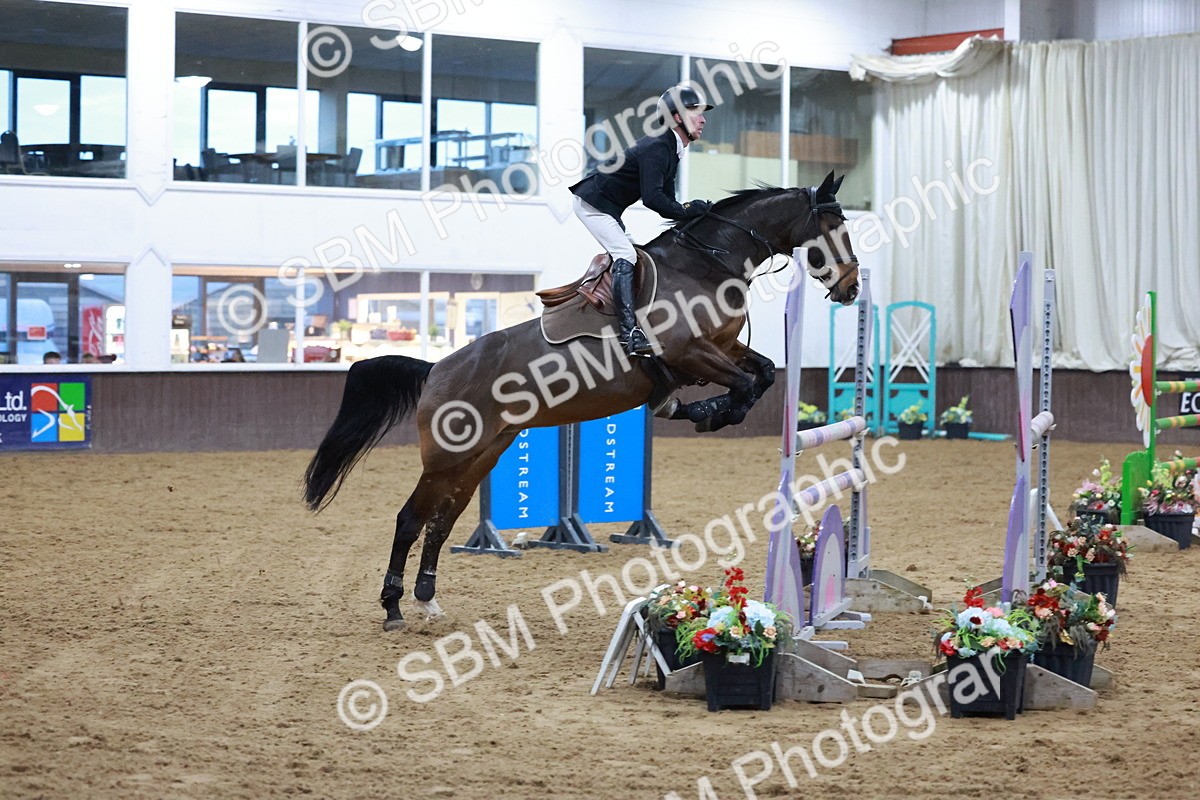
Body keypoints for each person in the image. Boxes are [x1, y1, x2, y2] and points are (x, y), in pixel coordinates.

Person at [570, 84, 714, 357]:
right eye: (696, 112)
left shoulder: (672, 148)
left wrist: (691, 211)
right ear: (678, 117)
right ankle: (630, 335)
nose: (704, 119)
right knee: (627, 254)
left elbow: (668, 203)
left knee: (634, 255)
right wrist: (689, 210)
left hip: (608, 206)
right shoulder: (658, 146)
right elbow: (653, 200)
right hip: (592, 203)